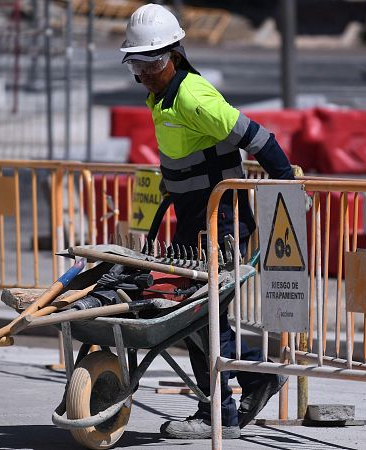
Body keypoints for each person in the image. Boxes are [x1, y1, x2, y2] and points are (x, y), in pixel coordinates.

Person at [120, 3, 293, 440]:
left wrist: (287, 186)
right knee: (197, 314)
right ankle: (255, 378)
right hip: (191, 216)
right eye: (135, 65)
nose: (142, 73)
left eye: (149, 63)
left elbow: (260, 140)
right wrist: (172, 185)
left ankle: (222, 413)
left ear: (173, 56)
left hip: (220, 217)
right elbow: (187, 155)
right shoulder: (162, 95)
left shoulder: (194, 95)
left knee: (202, 314)